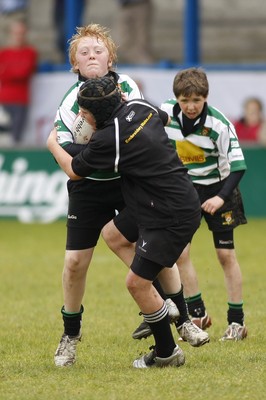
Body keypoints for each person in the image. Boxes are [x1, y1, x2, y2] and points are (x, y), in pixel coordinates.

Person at [47, 75, 208, 368]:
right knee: (113, 234)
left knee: (136, 284)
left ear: (98, 114)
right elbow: (163, 119)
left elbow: (74, 169)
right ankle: (170, 311)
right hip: (169, 199)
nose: (80, 117)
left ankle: (166, 352)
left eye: (84, 113)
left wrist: (52, 144)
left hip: (168, 214)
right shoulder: (139, 105)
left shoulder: (110, 139)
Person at [159, 67, 248, 341]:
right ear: (176, 99)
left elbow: (238, 167)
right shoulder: (164, 114)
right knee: (180, 253)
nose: (190, 106)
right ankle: (197, 313)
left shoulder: (219, 125)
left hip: (220, 188)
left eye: (196, 100)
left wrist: (220, 198)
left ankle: (236, 322)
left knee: (225, 256)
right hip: (185, 191)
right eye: (185, 101)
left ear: (205, 98)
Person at [0, 18, 37, 145]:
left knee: (15, 139)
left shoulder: (30, 52)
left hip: (20, 100)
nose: (19, 36)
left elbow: (24, 73)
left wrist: (8, 70)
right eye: (16, 33)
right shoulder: (3, 53)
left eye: (21, 33)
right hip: (4, 100)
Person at [115, 0, 154, 64]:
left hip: (140, 4)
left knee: (141, 43)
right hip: (124, 6)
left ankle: (145, 64)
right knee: (122, 41)